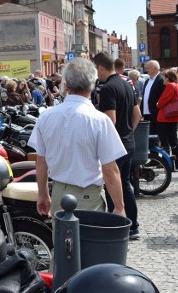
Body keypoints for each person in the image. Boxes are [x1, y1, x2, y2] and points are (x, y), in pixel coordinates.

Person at [27, 57, 126, 216]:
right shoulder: (100, 120)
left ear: (65, 86)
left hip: (59, 193)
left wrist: (43, 194)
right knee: (88, 239)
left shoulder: (46, 116)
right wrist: (119, 207)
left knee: (61, 240)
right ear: (92, 86)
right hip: (87, 196)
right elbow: (109, 170)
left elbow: (41, 160)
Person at [93, 52, 142, 239]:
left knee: (113, 185)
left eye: (95, 69)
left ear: (101, 68)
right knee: (126, 184)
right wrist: (129, 131)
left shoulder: (107, 88)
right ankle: (133, 226)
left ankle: (119, 228)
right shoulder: (127, 83)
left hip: (115, 145)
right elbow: (137, 114)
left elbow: (110, 120)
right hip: (129, 142)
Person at [156, 69, 178, 171]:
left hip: (166, 118)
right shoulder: (176, 85)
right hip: (171, 118)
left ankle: (170, 164)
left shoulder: (170, 86)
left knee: (167, 142)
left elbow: (162, 101)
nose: (163, 79)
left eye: (164, 77)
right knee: (173, 141)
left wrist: (158, 104)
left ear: (168, 78)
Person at [141, 60, 164, 137]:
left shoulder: (161, 80)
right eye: (146, 68)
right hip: (146, 113)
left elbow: (162, 97)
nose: (146, 70)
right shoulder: (147, 81)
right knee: (149, 136)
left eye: (148, 68)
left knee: (157, 136)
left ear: (156, 68)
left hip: (156, 113)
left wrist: (156, 110)